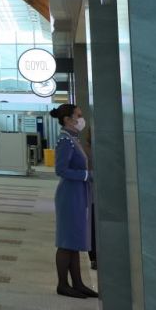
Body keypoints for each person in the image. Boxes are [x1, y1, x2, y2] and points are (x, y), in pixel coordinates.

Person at [51, 104, 97, 299]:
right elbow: (60, 170)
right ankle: (63, 284)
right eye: (79, 115)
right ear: (68, 119)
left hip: (78, 193)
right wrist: (87, 175)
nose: (81, 118)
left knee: (74, 240)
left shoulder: (73, 138)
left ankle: (78, 283)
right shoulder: (65, 140)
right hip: (70, 195)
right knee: (66, 241)